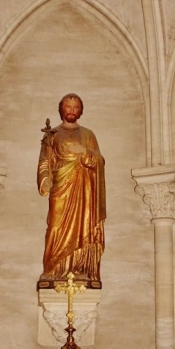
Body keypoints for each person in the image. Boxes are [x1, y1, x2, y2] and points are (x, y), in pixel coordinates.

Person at [37, 93, 106, 289]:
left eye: (75, 107)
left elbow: (99, 161)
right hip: (61, 186)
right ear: (61, 109)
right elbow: (44, 160)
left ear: (80, 111)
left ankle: (81, 268)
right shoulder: (52, 134)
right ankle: (52, 268)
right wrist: (45, 179)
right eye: (68, 107)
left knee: (83, 226)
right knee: (56, 226)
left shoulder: (88, 135)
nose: (71, 111)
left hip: (84, 189)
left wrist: (83, 152)